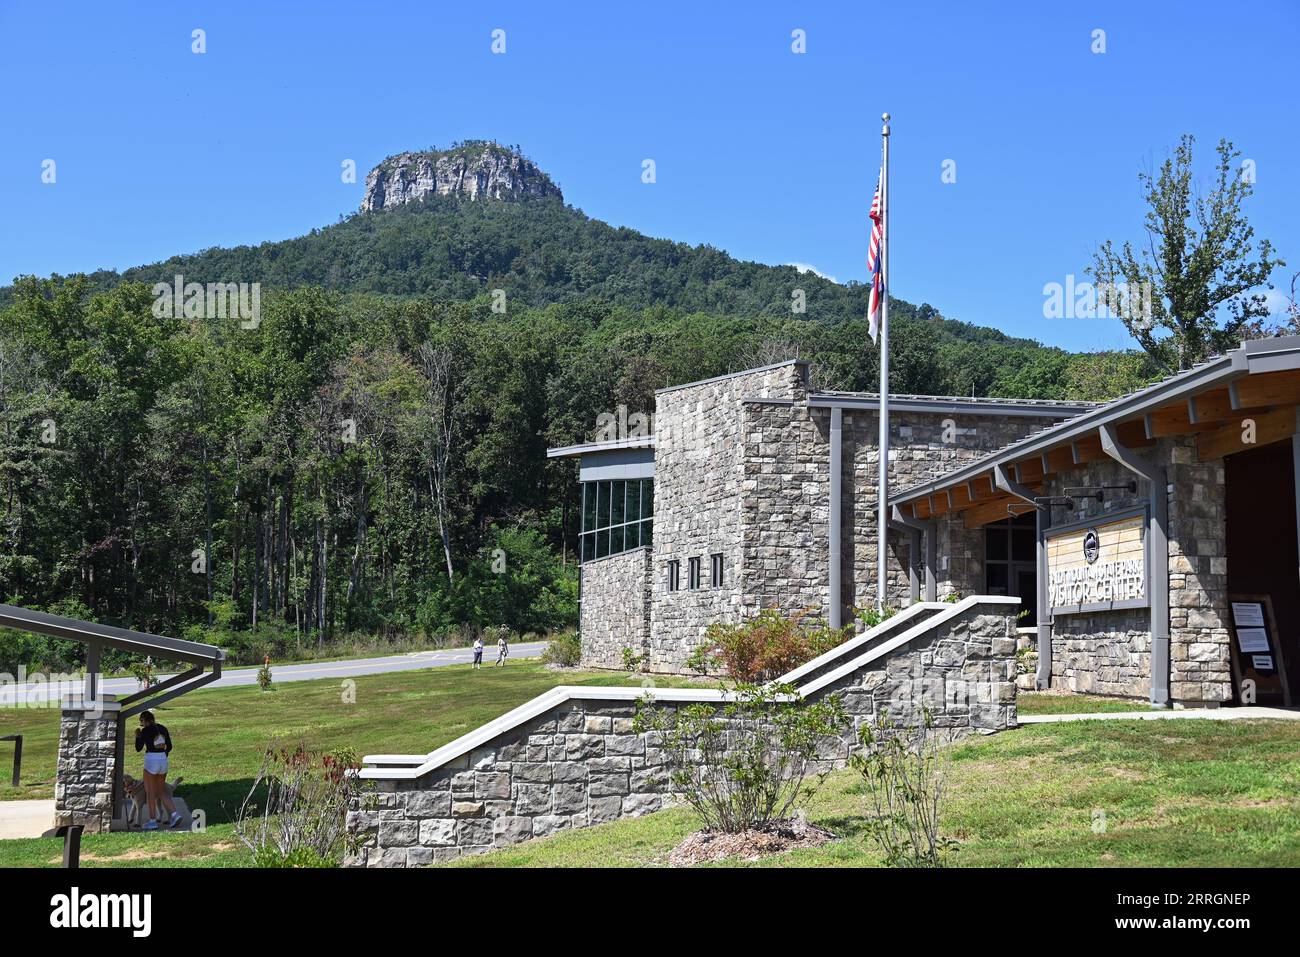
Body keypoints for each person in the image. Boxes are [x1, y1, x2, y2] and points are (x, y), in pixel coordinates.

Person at [134, 710, 182, 830]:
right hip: (163, 760)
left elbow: (138, 748)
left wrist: (137, 736)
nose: (141, 724)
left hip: (151, 761)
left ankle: (152, 821)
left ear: (145, 720)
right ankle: (175, 814)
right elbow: (169, 746)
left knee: (150, 792)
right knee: (161, 791)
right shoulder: (163, 728)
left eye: (141, 721)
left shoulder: (145, 731)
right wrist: (163, 754)